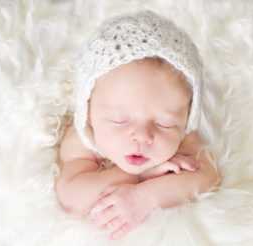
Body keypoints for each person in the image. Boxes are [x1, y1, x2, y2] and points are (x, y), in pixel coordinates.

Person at [55, 10, 219, 240]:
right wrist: (142, 175)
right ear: (89, 112)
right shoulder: (83, 139)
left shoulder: (184, 135)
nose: (143, 136)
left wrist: (145, 197)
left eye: (164, 124)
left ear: (187, 116)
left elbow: (207, 177)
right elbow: (72, 200)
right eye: (120, 120)